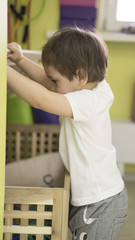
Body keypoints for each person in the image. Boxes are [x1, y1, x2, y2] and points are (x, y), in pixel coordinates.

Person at [7, 27, 128, 240]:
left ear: (80, 75)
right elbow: (46, 82)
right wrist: (20, 61)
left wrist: (4, 70)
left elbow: (41, 99)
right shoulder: (84, 88)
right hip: (91, 200)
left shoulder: (89, 101)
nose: (51, 86)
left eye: (55, 81)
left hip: (101, 203)